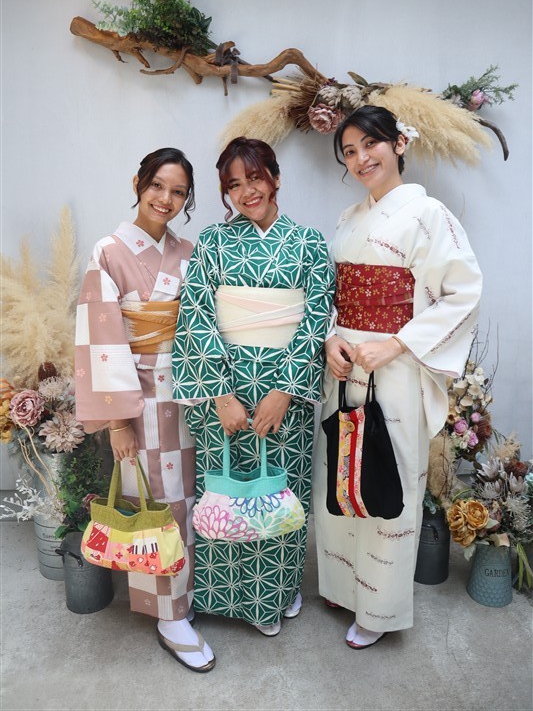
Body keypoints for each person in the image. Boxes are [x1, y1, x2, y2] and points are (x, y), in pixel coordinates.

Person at [313, 106, 482, 649]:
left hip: (396, 366)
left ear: (399, 144)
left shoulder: (428, 213)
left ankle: (379, 608)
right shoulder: (348, 218)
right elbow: (333, 295)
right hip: (346, 364)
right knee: (341, 471)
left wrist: (396, 344)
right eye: (350, 152)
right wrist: (331, 339)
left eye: (371, 144)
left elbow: (462, 292)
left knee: (389, 477)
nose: (361, 158)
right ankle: (342, 587)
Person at [172, 137, 335, 635]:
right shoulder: (213, 243)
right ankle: (218, 595)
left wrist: (284, 391)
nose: (247, 192)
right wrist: (221, 394)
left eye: (256, 178)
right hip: (223, 387)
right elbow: (196, 316)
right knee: (223, 492)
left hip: (284, 391)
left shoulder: (308, 243)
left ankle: (273, 597)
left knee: (277, 493)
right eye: (234, 185)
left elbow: (316, 318)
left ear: (276, 178)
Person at [74, 148, 215, 672]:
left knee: (193, 498)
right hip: (141, 397)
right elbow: (102, 338)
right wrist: (117, 421)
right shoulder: (109, 251)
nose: (165, 199)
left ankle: (191, 592)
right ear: (138, 182)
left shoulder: (188, 251)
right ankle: (168, 615)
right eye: (157, 186)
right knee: (158, 501)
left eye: (178, 192)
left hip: (193, 391)